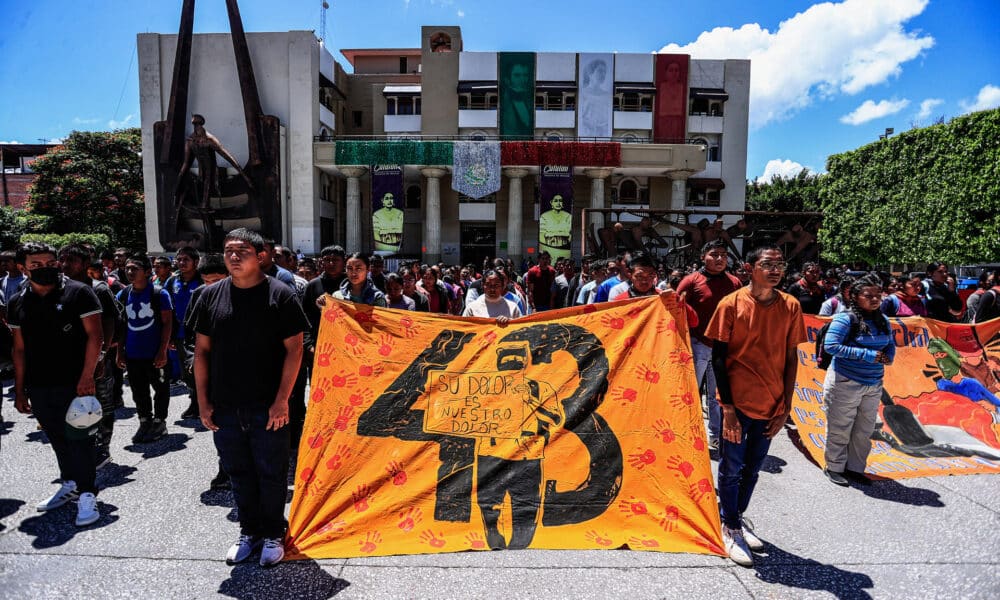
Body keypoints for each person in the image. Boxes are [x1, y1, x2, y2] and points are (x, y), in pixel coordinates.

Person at [193, 228, 308, 567]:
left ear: (260, 256)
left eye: (241, 250)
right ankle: (249, 532)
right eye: (228, 250)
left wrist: (282, 400)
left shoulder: (281, 295)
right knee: (238, 472)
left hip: (267, 406)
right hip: (226, 405)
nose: (233, 256)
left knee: (271, 472)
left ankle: (273, 533)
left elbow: (295, 350)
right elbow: (201, 351)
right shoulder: (210, 296)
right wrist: (202, 401)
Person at [705, 246, 806, 567]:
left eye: (780, 264)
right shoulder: (730, 304)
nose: (776, 270)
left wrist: (786, 406)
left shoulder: (790, 306)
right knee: (731, 469)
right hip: (736, 403)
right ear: (750, 267)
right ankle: (730, 525)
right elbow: (718, 360)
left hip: (772, 402)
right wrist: (729, 410)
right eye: (768, 264)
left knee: (753, 469)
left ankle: (736, 518)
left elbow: (792, 358)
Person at [9, 242, 104, 526]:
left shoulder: (79, 292)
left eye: (50, 263)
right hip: (40, 385)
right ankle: (70, 483)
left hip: (76, 384)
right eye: (35, 265)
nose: (45, 269)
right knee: (57, 437)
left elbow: (95, 337)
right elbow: (19, 349)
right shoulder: (17, 301)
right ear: (22, 268)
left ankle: (88, 494)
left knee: (81, 439)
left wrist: (87, 377)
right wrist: (19, 388)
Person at [822, 275, 895, 487]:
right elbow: (831, 346)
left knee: (864, 430)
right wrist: (868, 355)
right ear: (855, 297)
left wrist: (889, 356)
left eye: (878, 296)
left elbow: (889, 344)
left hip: (873, 384)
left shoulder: (883, 320)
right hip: (845, 381)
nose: (874, 300)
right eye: (868, 296)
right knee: (840, 428)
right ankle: (834, 467)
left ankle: (854, 468)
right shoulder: (845, 319)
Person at [676, 240, 742, 450]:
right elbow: (676, 311)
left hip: (723, 348)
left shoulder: (735, 283)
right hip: (696, 346)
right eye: (715, 254)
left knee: (717, 396)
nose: (720, 258)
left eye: (724, 254)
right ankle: (686, 432)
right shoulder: (690, 281)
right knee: (690, 394)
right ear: (703, 256)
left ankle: (715, 434)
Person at [59, 244, 120, 468]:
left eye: (71, 259)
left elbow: (109, 325)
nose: (64, 264)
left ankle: (102, 448)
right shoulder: (60, 290)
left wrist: (102, 356)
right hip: (71, 361)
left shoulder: (99, 289)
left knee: (102, 403)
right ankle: (82, 447)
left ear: (86, 264)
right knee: (77, 405)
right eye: (62, 259)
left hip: (97, 360)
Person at [182, 253, 231, 490]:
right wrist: (193, 359)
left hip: (237, 368)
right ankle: (225, 466)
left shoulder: (242, 291)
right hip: (212, 371)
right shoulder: (200, 296)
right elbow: (191, 337)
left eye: (217, 280)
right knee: (218, 422)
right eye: (207, 281)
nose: (212, 286)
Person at [117, 253, 174, 444]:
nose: (130, 272)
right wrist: (119, 352)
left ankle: (159, 421)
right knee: (138, 390)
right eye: (127, 268)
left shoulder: (159, 294)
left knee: (160, 388)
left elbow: (167, 323)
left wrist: (162, 351)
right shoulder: (123, 294)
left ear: (147, 272)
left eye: (135, 269)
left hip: (155, 353)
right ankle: (144, 420)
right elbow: (122, 325)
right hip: (133, 354)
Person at [163, 246, 203, 419]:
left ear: (196, 262)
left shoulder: (203, 280)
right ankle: (195, 402)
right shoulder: (172, 282)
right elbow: (167, 309)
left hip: (201, 333)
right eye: (179, 259)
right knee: (187, 371)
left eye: (185, 259)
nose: (181, 263)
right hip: (180, 335)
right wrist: (169, 335)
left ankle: (205, 403)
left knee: (202, 369)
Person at [539, 195, 572, 260]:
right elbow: (542, 235)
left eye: (560, 201)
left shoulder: (568, 216)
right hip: (548, 247)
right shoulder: (544, 216)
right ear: (551, 202)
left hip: (565, 248)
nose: (558, 203)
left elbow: (570, 234)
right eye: (556, 201)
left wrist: (550, 233)